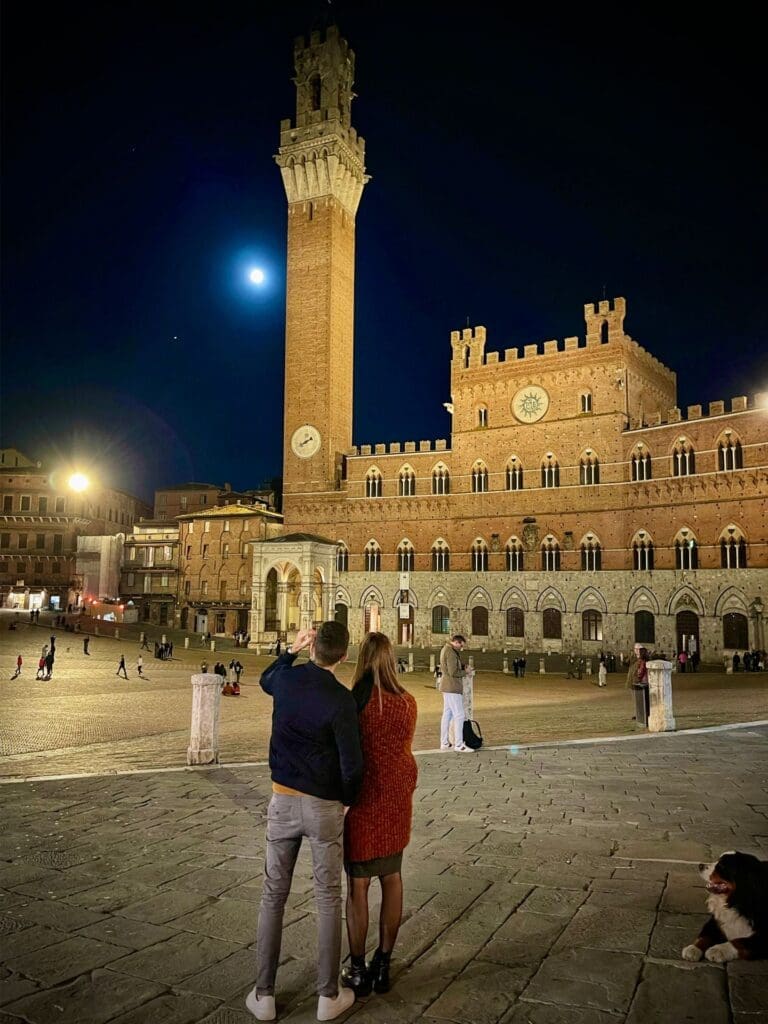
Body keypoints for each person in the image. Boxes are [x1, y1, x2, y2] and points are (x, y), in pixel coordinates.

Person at [247, 622, 363, 1023]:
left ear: (313, 647)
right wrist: (346, 802)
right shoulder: (342, 700)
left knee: (272, 896)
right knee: (329, 898)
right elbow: (353, 766)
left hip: (282, 799)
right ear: (344, 656)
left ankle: (263, 996)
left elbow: (264, 679)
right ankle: (328, 996)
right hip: (324, 807)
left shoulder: (288, 681)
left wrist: (290, 650)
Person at [341, 633, 418, 998]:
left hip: (363, 802)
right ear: (390, 659)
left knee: (358, 886)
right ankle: (383, 966)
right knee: (392, 878)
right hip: (396, 801)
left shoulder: (353, 703)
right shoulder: (408, 703)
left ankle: (357, 971)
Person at [438, 634, 472, 752]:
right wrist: (466, 672)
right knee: (459, 715)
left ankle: (444, 743)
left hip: (446, 686)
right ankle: (458, 745)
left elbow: (450, 667)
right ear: (456, 642)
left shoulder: (446, 649)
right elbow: (453, 672)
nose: (461, 648)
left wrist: (461, 666)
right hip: (452, 687)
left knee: (447, 715)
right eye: (461, 645)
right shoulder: (451, 652)